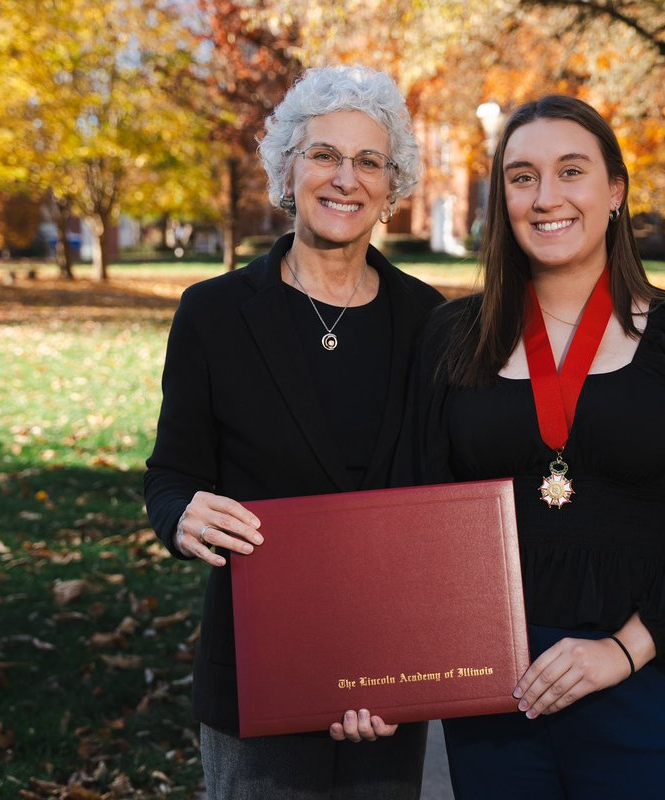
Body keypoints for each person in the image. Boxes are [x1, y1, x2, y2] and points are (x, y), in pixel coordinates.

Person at [409, 95, 665, 798]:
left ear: (616, 192)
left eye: (571, 171)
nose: (546, 198)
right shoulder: (451, 337)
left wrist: (622, 652)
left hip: (642, 682)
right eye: (522, 177)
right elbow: (416, 517)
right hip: (496, 697)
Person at [144, 65, 444, 799]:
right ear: (287, 170)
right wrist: (181, 515)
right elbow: (171, 473)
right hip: (258, 676)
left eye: (369, 161)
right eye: (324, 155)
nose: (346, 178)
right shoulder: (213, 314)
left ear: (391, 187)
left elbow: (444, 499)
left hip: (388, 675)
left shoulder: (434, 321)